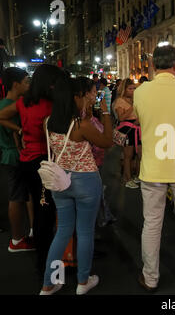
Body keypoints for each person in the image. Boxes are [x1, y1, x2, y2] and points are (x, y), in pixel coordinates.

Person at [134, 45, 175, 291]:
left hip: (152, 167)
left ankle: (150, 277)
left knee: (151, 223)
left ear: (153, 66)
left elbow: (141, 121)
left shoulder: (141, 92)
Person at [39, 76, 113, 295]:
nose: (92, 97)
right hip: (86, 181)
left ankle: (48, 284)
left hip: (60, 181)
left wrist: (87, 112)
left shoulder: (49, 121)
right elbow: (107, 141)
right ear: (77, 96)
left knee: (62, 232)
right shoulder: (81, 125)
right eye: (89, 94)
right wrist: (106, 112)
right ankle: (83, 281)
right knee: (85, 232)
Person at [0, 64, 65, 274]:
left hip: (27, 161)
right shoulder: (51, 105)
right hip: (43, 161)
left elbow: (1, 116)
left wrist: (20, 130)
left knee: (39, 209)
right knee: (45, 211)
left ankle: (43, 253)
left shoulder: (23, 102)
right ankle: (46, 263)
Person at [0, 67, 33, 252]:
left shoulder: (4, 104)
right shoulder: (9, 107)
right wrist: (20, 131)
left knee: (23, 194)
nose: (28, 85)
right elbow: (14, 132)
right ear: (15, 84)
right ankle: (17, 239)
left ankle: (25, 235)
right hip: (15, 154)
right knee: (16, 197)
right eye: (26, 82)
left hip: (9, 154)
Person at [114, 79, 142, 189]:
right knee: (128, 156)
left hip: (138, 128)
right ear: (124, 89)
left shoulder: (136, 100)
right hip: (128, 130)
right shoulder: (120, 101)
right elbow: (121, 117)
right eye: (130, 89)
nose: (133, 91)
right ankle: (127, 178)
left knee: (140, 154)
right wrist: (133, 107)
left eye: (134, 88)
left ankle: (138, 175)